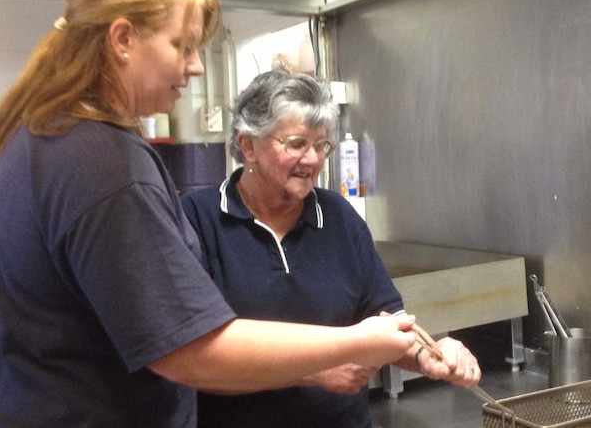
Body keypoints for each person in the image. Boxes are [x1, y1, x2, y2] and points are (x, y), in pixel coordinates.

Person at [0, 0, 418, 428]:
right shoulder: (102, 159)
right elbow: (191, 350)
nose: (196, 67)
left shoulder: (20, 135)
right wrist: (359, 342)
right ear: (123, 38)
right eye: (182, 46)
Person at [180, 70, 481, 428]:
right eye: (296, 144)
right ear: (248, 146)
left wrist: (428, 354)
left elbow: (388, 320)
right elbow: (196, 361)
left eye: (321, 146)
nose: (312, 160)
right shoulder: (196, 219)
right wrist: (313, 372)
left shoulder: (338, 216)